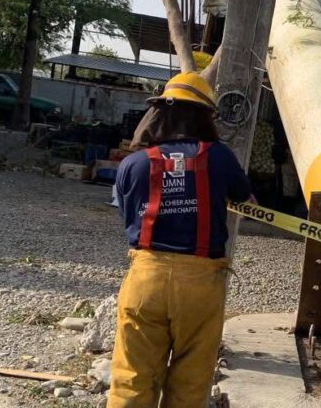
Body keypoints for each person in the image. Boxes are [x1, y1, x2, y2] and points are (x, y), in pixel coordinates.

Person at [108, 72, 252, 407]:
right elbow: (244, 196)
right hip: (200, 287)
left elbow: (128, 217)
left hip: (146, 279)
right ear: (206, 117)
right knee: (190, 382)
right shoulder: (219, 157)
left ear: (159, 114)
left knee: (132, 378)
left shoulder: (132, 164)